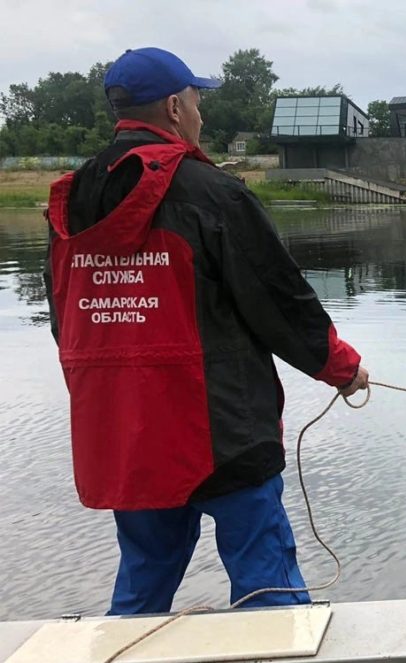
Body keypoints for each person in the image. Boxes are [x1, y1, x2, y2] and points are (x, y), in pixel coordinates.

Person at [42, 47, 369, 615]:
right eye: (196, 101)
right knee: (267, 586)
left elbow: (64, 320)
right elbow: (280, 301)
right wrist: (342, 369)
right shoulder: (213, 193)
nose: (202, 115)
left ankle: (121, 648)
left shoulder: (72, 202)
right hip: (223, 430)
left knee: (143, 584)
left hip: (125, 430)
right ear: (174, 107)